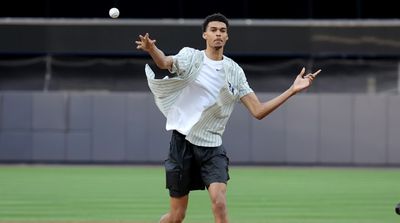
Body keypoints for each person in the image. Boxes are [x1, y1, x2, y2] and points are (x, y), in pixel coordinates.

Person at [135, 13, 320, 223]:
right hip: (182, 144)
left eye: (222, 31)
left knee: (219, 202)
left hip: (212, 147)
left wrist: (292, 90)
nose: (218, 34)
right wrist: (152, 49)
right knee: (177, 216)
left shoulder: (235, 72)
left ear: (227, 37)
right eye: (213, 30)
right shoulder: (191, 57)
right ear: (205, 34)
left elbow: (258, 111)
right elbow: (165, 62)